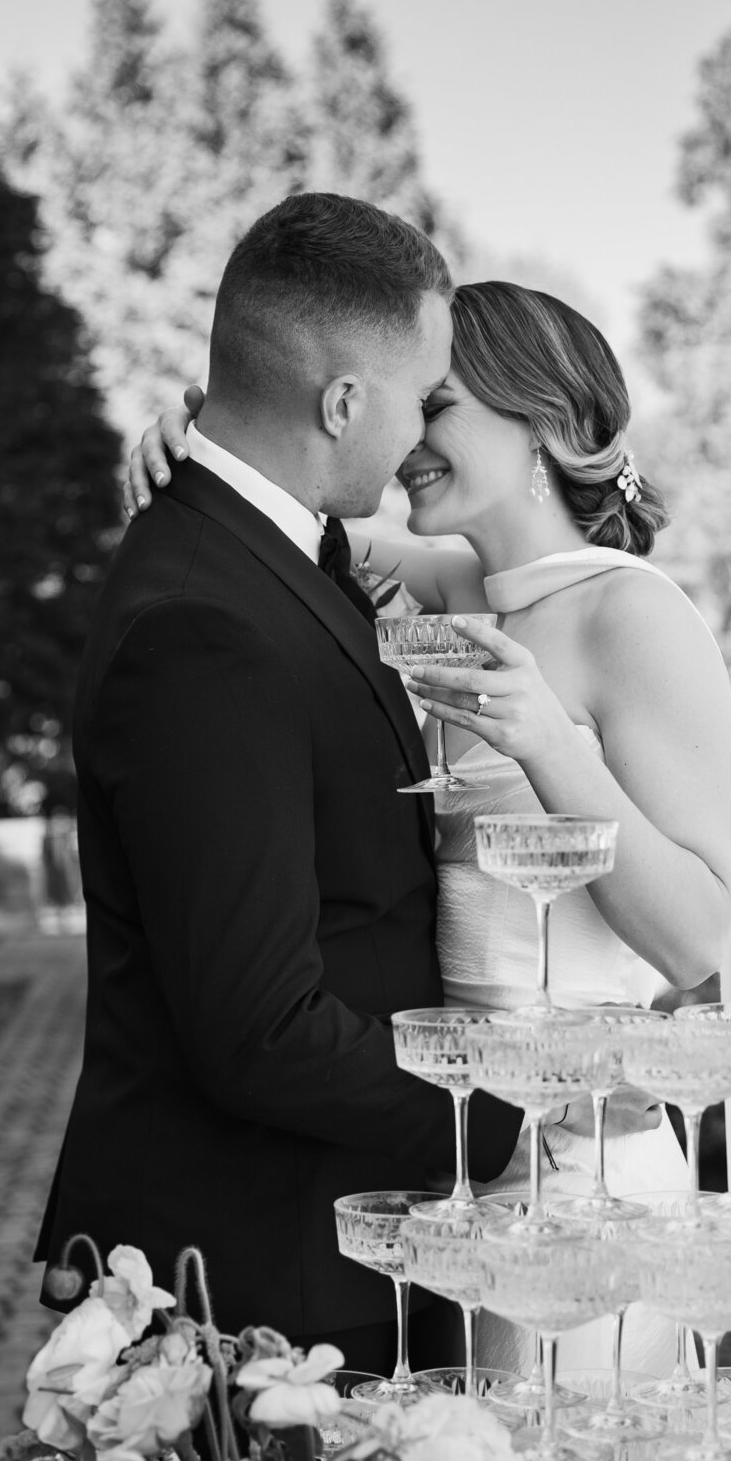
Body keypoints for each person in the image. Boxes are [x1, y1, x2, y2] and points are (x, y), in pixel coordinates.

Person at [128, 278, 731, 1376]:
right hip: (450, 1160)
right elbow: (276, 520)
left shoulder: (637, 614)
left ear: (542, 423)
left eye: (435, 407)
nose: (405, 440)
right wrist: (198, 441)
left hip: (582, 1173)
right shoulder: (461, 588)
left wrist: (549, 744)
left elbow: (696, 941)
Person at [36, 194, 523, 1373]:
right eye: (420, 396)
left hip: (323, 1243)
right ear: (342, 403)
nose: (419, 433)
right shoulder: (203, 621)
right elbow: (260, 1028)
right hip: (267, 1284)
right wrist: (505, 1121)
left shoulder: (268, 553)